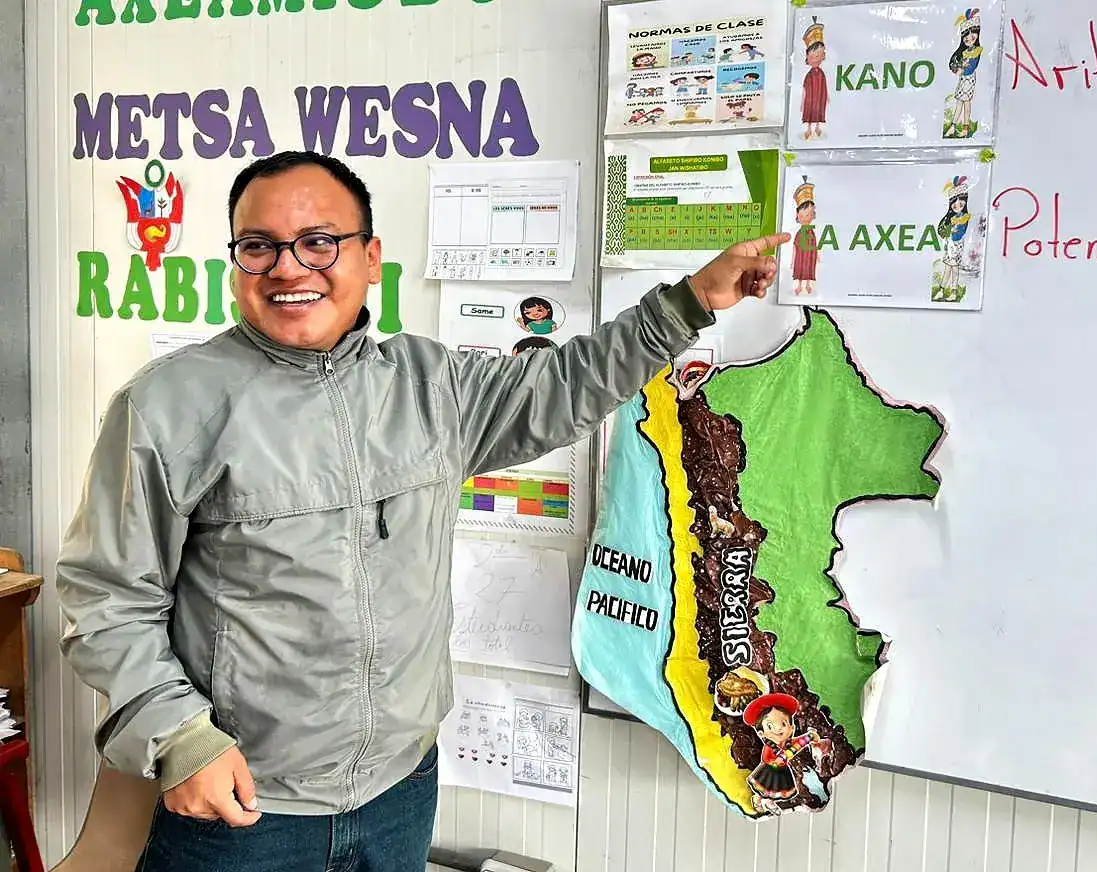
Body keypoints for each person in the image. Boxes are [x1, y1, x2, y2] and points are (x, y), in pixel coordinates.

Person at [54, 150, 787, 872]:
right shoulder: (166, 407)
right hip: (245, 807)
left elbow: (566, 384)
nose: (288, 268)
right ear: (236, 263)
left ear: (370, 257)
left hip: (400, 793)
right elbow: (106, 598)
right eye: (259, 247)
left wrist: (691, 302)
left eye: (318, 243)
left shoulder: (431, 385)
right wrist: (179, 735)